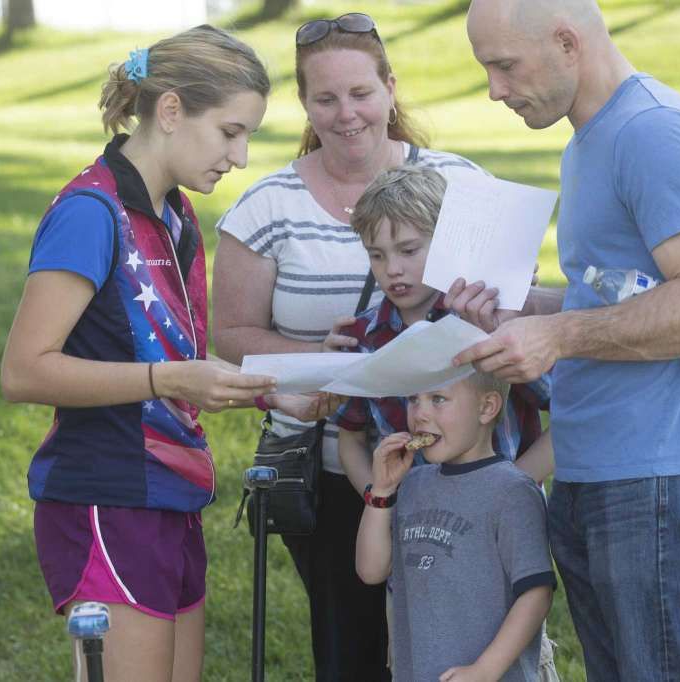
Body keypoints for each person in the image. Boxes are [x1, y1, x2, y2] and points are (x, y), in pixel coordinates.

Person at [0, 26, 333, 681]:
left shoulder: (175, 213)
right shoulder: (90, 213)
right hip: (105, 495)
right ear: (173, 111)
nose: (238, 157)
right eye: (231, 131)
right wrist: (170, 377)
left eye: (248, 137)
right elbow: (24, 370)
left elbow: (168, 351)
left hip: (169, 497)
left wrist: (273, 393)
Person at [456, 1, 680, 680]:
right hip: (596, 468)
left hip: (656, 475)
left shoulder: (651, 133)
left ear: (567, 42)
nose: (495, 90)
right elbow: (626, 293)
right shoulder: (589, 139)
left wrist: (556, 333)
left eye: (504, 66)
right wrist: (522, 310)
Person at [211, 13, 502, 680]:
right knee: (352, 649)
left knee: (461, 642)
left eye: (362, 93)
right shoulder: (266, 206)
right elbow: (228, 333)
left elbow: (510, 305)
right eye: (326, 98)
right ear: (305, 104)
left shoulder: (458, 183)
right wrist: (317, 354)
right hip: (338, 466)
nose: (347, 114)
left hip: (462, 469)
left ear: (391, 88)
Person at [335, 165, 553, 493]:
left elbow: (569, 414)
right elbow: (350, 438)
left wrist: (511, 487)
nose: (392, 269)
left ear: (447, 242)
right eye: (376, 255)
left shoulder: (493, 322)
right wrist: (380, 498)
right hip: (411, 524)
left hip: (504, 519)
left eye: (409, 251)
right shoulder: (363, 339)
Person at [356, 371, 557, 681]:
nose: (420, 414)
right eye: (413, 399)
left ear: (487, 407)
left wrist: (484, 670)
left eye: (438, 399)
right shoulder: (412, 485)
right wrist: (381, 492)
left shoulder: (511, 490)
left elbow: (536, 593)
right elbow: (371, 570)